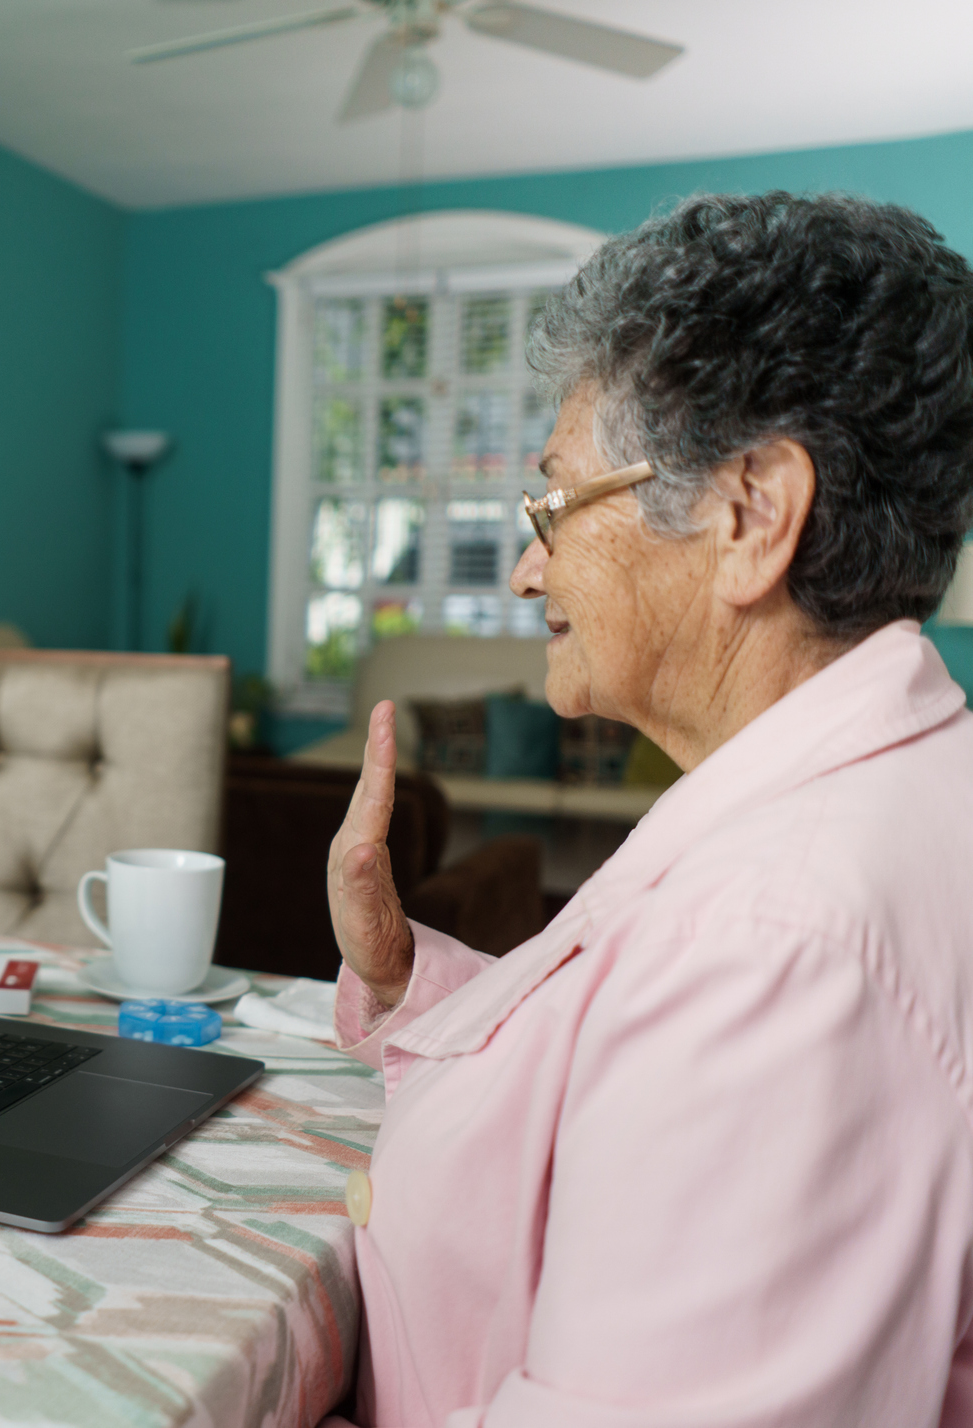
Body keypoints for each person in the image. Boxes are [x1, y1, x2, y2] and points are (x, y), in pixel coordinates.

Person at [322, 193, 973, 1426]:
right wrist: (406, 974)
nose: (530, 569)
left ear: (751, 515)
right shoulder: (845, 808)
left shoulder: (774, 947)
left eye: (556, 504)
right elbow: (623, 1060)